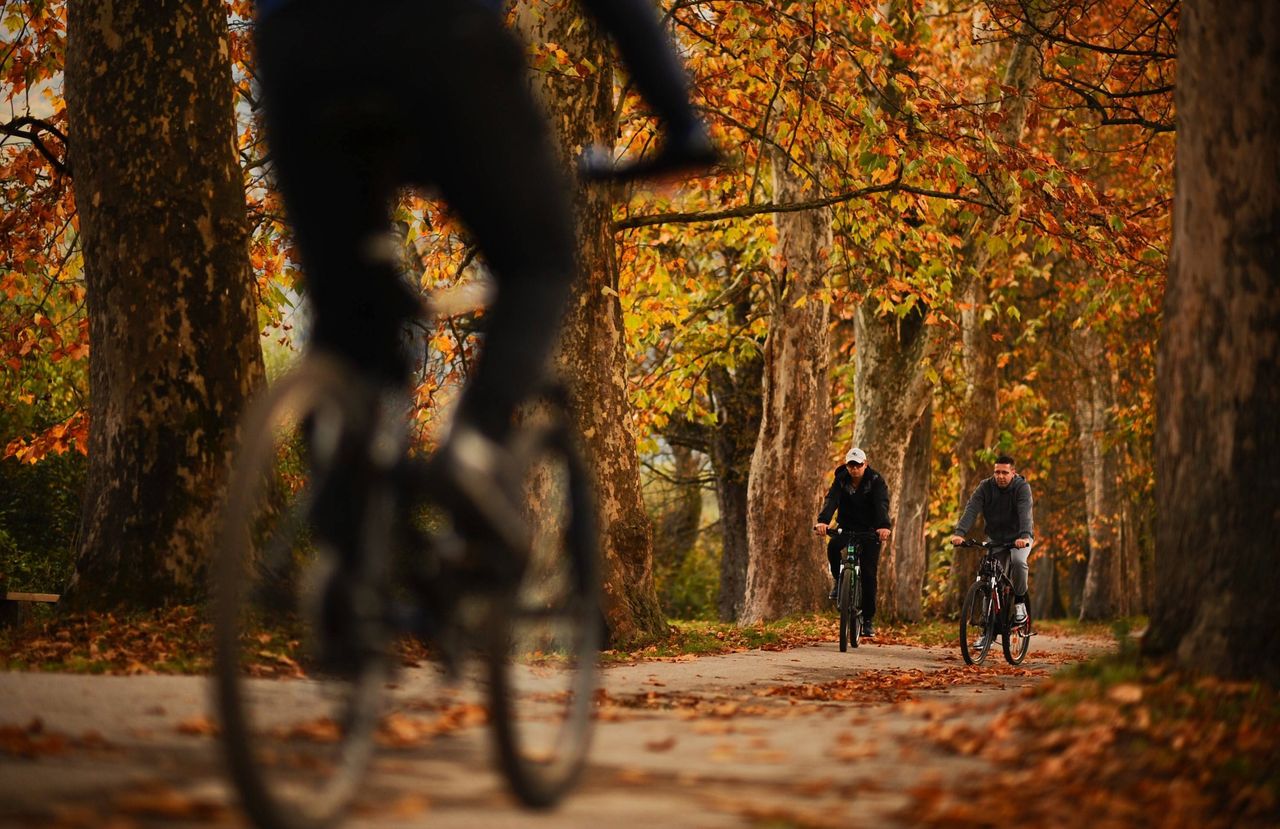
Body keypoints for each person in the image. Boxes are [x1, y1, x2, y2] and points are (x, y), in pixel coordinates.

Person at [253, 0, 716, 545]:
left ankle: (341, 551)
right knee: (538, 263)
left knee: (348, 309)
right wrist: (681, 124)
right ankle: (472, 448)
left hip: (295, 63)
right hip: (439, 47)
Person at [812, 447, 892, 637]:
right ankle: (838, 580)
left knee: (869, 574)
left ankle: (867, 620)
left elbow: (882, 503)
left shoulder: (875, 481)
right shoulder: (841, 479)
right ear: (846, 465)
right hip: (846, 527)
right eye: (851, 465)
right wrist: (823, 521)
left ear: (865, 464)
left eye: (858, 465)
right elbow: (831, 500)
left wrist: (883, 526)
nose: (854, 469)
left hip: (870, 531)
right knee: (833, 547)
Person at [949, 454, 1035, 628]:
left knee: (1018, 562)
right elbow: (972, 508)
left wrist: (1024, 536)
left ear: (1013, 472)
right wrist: (960, 533)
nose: (1000, 476)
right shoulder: (985, 487)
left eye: (1004, 472)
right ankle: (986, 629)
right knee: (989, 578)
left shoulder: (1022, 488)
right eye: (997, 472)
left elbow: (1025, 512)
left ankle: (1019, 603)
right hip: (996, 539)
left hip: (1019, 538)